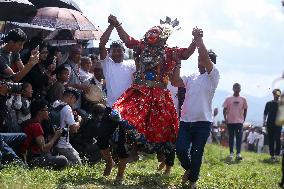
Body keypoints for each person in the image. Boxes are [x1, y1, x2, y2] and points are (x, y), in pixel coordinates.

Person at [171, 28, 219, 188]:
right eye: (199, 59)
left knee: (196, 153)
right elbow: (175, 81)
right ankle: (191, 170)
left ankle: (193, 182)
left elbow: (205, 57)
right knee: (181, 150)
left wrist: (198, 39)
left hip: (202, 123)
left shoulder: (213, 76)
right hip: (185, 121)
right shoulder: (191, 76)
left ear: (210, 63)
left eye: (204, 60)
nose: (201, 61)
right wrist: (178, 62)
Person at [99, 20, 136, 182]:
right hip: (110, 109)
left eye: (119, 51)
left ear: (124, 51)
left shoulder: (131, 65)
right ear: (109, 52)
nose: (116, 53)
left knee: (123, 145)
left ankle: (120, 174)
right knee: (101, 139)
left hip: (127, 111)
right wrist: (111, 26)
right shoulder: (107, 64)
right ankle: (109, 162)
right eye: (113, 51)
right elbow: (102, 42)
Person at [21, 99, 68, 169]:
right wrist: (55, 136)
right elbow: (43, 148)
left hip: (30, 156)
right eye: (46, 110)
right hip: (33, 160)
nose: (48, 112)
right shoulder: (36, 126)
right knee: (63, 159)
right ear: (40, 112)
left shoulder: (28, 122)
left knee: (53, 153)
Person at [51, 88, 82, 165]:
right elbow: (74, 129)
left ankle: (57, 160)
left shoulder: (55, 103)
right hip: (62, 144)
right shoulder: (67, 108)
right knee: (78, 165)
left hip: (53, 141)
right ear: (71, 97)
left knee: (76, 154)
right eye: (74, 101)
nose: (74, 103)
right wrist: (79, 121)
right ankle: (59, 164)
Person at [223, 83, 248, 161]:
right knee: (231, 137)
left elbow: (245, 109)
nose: (237, 89)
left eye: (238, 88)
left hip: (239, 122)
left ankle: (238, 153)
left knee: (239, 137)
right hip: (230, 121)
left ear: (240, 89)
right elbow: (224, 109)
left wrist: (244, 118)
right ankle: (231, 153)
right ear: (233, 89)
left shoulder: (243, 99)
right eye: (235, 88)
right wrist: (225, 118)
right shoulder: (228, 98)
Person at [263, 89, 282, 161]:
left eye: (278, 93)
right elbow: (265, 113)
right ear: (273, 94)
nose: (277, 95)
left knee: (277, 139)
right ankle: (272, 155)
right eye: (275, 93)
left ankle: (277, 155)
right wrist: (264, 122)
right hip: (270, 123)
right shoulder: (268, 103)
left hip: (278, 123)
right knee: (270, 139)